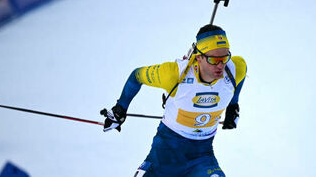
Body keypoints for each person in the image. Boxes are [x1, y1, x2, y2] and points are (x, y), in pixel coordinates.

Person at [102, 24, 247, 177]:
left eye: (224, 58)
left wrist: (233, 105)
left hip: (202, 156)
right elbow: (137, 75)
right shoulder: (174, 74)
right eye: (213, 60)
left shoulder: (234, 69)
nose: (221, 65)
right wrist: (120, 109)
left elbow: (242, 73)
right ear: (199, 57)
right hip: (165, 154)